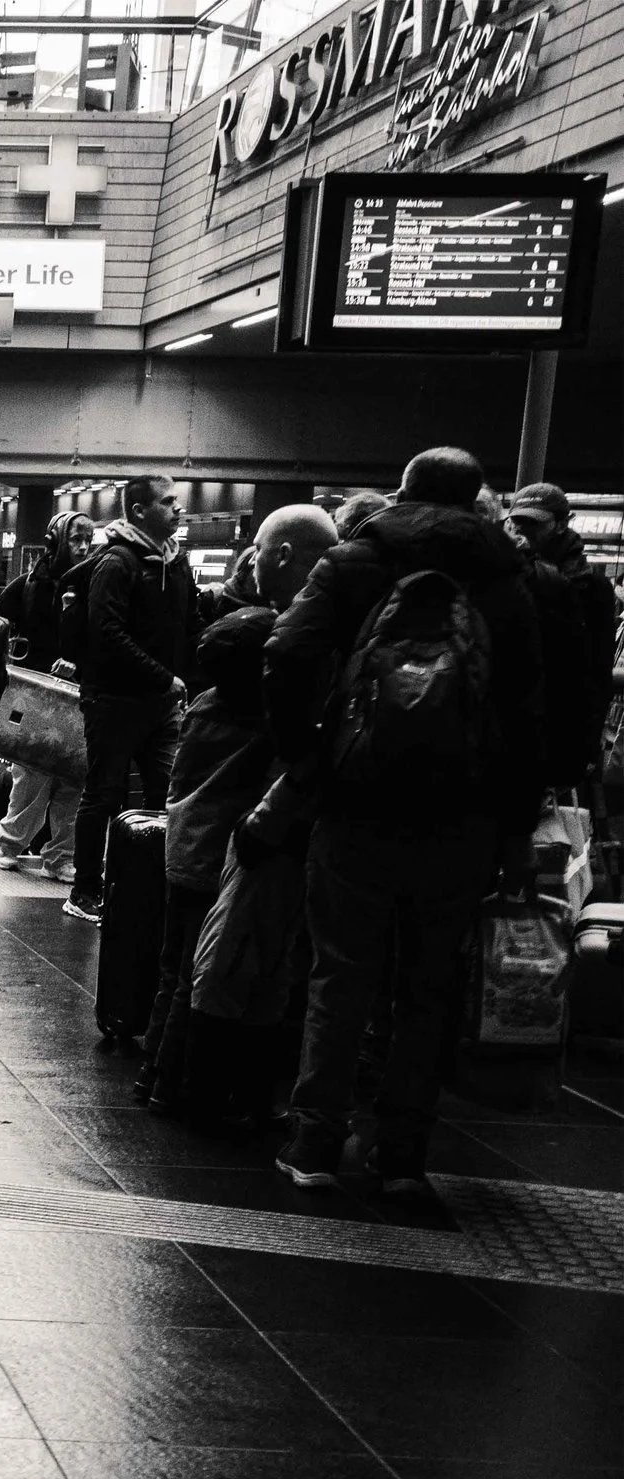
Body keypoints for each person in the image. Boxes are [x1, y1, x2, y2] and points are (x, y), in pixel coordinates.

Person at [262, 447, 544, 1195]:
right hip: (464, 811)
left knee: (340, 974)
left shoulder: (358, 560)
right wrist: (515, 822)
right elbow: (533, 709)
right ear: (477, 498)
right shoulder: (507, 577)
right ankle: (402, 1156)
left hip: (357, 798)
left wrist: (307, 757)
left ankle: (315, 1143)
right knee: (428, 986)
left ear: (403, 491)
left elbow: (286, 651)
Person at [143, 504, 333, 1112]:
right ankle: (193, 1086)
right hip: (225, 857)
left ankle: (156, 1076)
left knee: (173, 970)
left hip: (183, 847)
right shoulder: (264, 725)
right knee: (215, 972)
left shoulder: (200, 711)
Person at [64, 474, 193, 923]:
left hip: (161, 704)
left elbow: (185, 631)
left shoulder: (174, 564)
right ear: (139, 510)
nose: (178, 508)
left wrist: (181, 680)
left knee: (167, 792)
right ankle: (84, 891)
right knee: (102, 794)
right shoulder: (117, 563)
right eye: (168, 502)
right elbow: (107, 633)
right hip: (113, 701)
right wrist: (165, 677)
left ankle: (145, 885)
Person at [0, 511, 89, 883]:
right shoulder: (30, 585)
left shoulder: (93, 585)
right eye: (75, 539)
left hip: (79, 697)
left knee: (73, 782)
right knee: (32, 776)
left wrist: (81, 662)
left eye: (86, 540)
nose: (82, 547)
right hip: (37, 698)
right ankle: (10, 845)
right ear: (56, 541)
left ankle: (60, 857)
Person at [506, 482, 616, 793]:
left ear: (562, 523)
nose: (523, 531)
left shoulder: (592, 588)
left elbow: (597, 667)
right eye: (518, 522)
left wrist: (590, 734)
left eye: (534, 523)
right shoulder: (509, 573)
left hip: (561, 719)